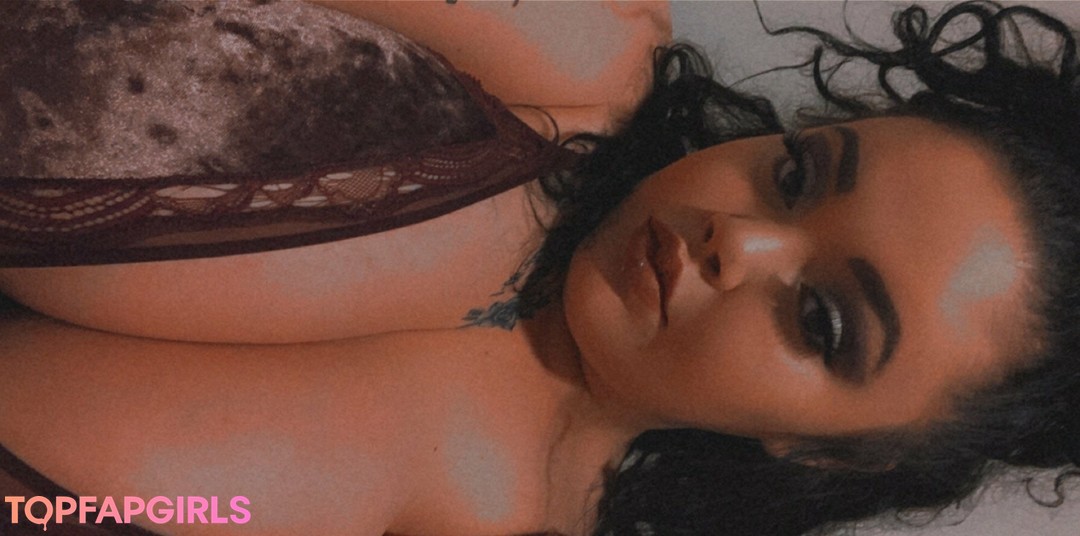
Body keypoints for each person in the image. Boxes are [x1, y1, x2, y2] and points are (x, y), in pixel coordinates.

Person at [1, 2, 1079, 536]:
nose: (739, 239)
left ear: (833, 456)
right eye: (795, 174)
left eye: (820, 320)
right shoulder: (575, 61)